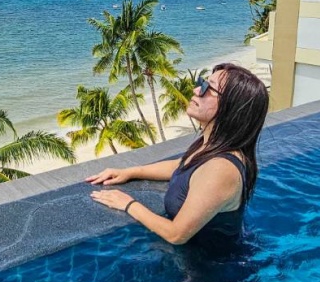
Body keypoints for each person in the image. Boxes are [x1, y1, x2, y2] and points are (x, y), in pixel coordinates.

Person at [86, 62, 269, 248]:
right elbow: (183, 166)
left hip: (215, 270)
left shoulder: (221, 168)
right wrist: (132, 172)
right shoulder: (210, 145)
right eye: (202, 82)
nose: (197, 90)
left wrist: (128, 204)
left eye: (208, 88)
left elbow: (176, 234)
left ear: (232, 108)